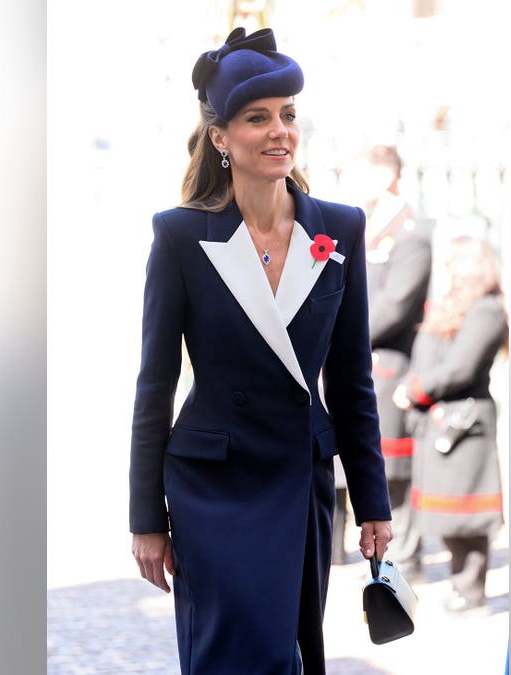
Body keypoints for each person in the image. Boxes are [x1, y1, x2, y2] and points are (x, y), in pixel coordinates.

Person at [128, 27, 394, 675]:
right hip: (210, 488)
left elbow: (352, 381)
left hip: (296, 479)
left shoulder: (340, 229)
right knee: (233, 654)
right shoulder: (181, 235)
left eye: (288, 115)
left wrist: (373, 501)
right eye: (257, 118)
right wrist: (146, 517)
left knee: (286, 651)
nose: (280, 131)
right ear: (220, 137)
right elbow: (154, 386)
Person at [331, 145, 432, 571]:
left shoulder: (410, 231)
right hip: (351, 359)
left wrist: (341, 338)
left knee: (393, 465)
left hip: (385, 361)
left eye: (362, 175)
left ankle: (405, 556)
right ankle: (336, 549)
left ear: (387, 176)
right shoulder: (365, 226)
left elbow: (397, 304)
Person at [394, 235, 508, 614]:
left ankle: (470, 590)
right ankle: (462, 586)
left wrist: (417, 389)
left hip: (464, 422)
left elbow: (461, 367)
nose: (447, 271)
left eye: (454, 263)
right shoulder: (448, 308)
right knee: (447, 513)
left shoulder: (487, 309)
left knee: (468, 515)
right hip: (439, 420)